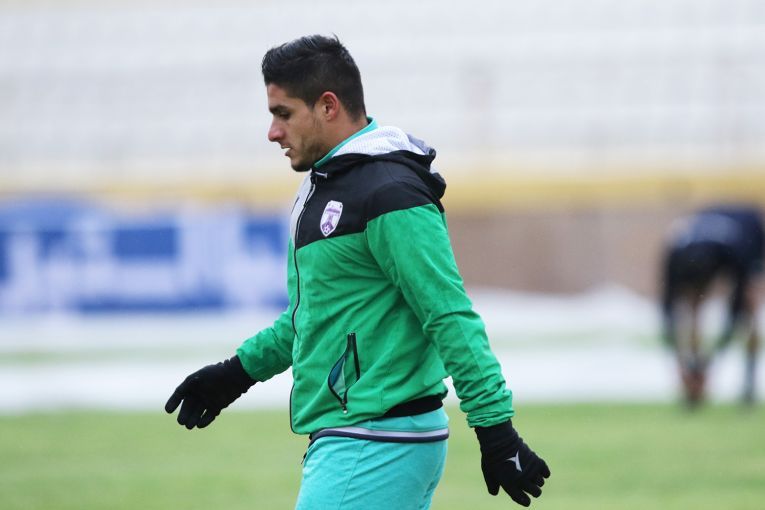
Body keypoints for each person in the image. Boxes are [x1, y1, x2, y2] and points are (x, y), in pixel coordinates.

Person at [165, 34, 550, 508]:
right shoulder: (325, 187)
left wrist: (495, 430)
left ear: (328, 106)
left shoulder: (389, 192)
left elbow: (448, 313)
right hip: (363, 437)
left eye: (283, 114)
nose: (272, 132)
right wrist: (236, 373)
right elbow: (313, 317)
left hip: (376, 440)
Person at [661, 204, 764, 405]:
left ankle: (748, 385)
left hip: (748, 231)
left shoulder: (738, 249)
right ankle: (694, 373)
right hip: (709, 231)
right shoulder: (677, 253)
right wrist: (686, 364)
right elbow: (667, 310)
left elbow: (736, 310)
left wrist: (712, 360)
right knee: (692, 308)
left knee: (750, 304)